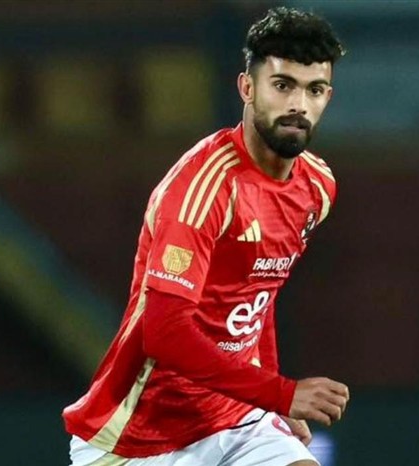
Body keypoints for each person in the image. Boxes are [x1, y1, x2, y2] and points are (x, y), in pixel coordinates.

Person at [63, 7, 348, 465]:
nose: (298, 104)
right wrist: (280, 392)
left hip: (237, 419)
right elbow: (165, 334)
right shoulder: (204, 188)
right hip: (141, 437)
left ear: (327, 97)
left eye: (313, 89)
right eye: (282, 85)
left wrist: (270, 401)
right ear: (247, 88)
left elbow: (258, 295)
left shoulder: (317, 187)